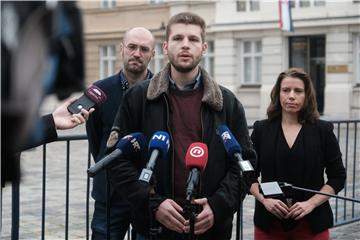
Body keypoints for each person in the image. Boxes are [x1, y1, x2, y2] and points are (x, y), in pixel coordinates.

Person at [109, 12, 256, 240]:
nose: (185, 45)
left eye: (193, 39)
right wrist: (154, 205)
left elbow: (245, 165)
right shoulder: (138, 98)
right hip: (153, 229)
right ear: (166, 46)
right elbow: (117, 161)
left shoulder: (227, 102)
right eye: (178, 39)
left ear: (204, 47)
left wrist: (218, 206)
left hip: (210, 229)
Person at [249, 68, 346, 240]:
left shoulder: (322, 130)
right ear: (278, 94)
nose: (291, 96)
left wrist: (311, 203)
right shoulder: (261, 129)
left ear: (307, 95)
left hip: (312, 223)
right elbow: (247, 174)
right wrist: (264, 200)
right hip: (269, 225)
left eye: (298, 91)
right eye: (286, 90)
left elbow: (337, 177)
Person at [86, 27, 155, 239]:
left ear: (153, 54)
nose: (137, 53)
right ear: (122, 49)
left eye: (144, 49)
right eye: (132, 47)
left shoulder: (162, 90)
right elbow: (96, 138)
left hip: (150, 192)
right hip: (110, 192)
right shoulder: (99, 91)